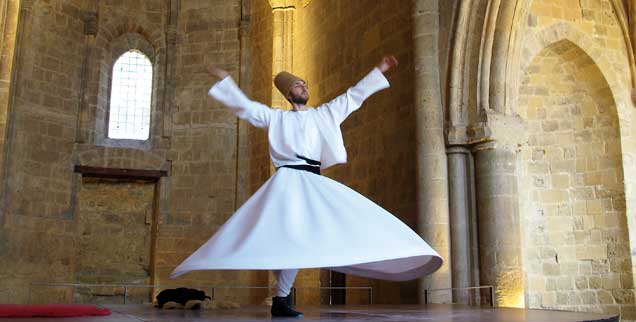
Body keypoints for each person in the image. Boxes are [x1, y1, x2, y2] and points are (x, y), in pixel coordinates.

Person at [170, 55, 443, 317]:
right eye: (299, 84)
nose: (305, 86)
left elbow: (353, 97)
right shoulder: (276, 118)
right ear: (289, 94)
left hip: (311, 181)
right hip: (286, 182)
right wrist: (225, 81)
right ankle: (281, 298)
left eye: (306, 84)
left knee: (316, 231)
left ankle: (281, 297)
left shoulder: (323, 115)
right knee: (286, 239)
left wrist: (380, 69)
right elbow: (247, 108)